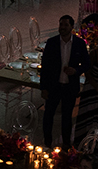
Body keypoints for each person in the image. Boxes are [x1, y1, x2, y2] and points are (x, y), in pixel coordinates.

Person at [38, 15, 89, 149]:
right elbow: (45, 67)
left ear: (72, 27)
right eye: (61, 24)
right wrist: (43, 87)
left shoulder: (79, 43)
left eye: (66, 25)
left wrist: (76, 71)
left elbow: (86, 64)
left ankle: (66, 144)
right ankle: (47, 141)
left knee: (67, 117)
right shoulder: (52, 42)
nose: (63, 27)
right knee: (48, 114)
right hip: (53, 86)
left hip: (69, 87)